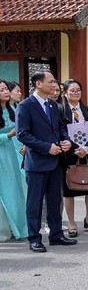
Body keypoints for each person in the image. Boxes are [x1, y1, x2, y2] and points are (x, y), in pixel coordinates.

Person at [16, 70, 76, 252]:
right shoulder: (25, 106)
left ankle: (56, 234)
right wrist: (46, 147)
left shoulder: (53, 106)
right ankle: (34, 237)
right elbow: (23, 134)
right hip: (36, 162)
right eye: (50, 82)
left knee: (54, 200)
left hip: (55, 160)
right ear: (38, 84)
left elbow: (60, 129)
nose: (54, 85)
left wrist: (67, 141)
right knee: (34, 203)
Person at [59, 79, 88, 237]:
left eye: (78, 90)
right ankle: (71, 223)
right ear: (65, 93)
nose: (75, 93)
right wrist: (76, 149)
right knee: (69, 190)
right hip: (69, 155)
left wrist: (86, 148)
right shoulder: (61, 110)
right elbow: (60, 131)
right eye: (72, 91)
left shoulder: (87, 110)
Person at [0, 79, 28, 242]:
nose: (5, 92)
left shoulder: (13, 109)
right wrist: (7, 136)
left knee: (15, 190)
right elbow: (10, 133)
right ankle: (4, 229)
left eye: (5, 89)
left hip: (11, 154)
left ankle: (18, 227)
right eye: (1, 90)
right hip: (2, 152)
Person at [6, 81, 25, 171]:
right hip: (11, 144)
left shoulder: (18, 107)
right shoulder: (6, 109)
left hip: (20, 144)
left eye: (20, 92)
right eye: (17, 91)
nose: (20, 94)